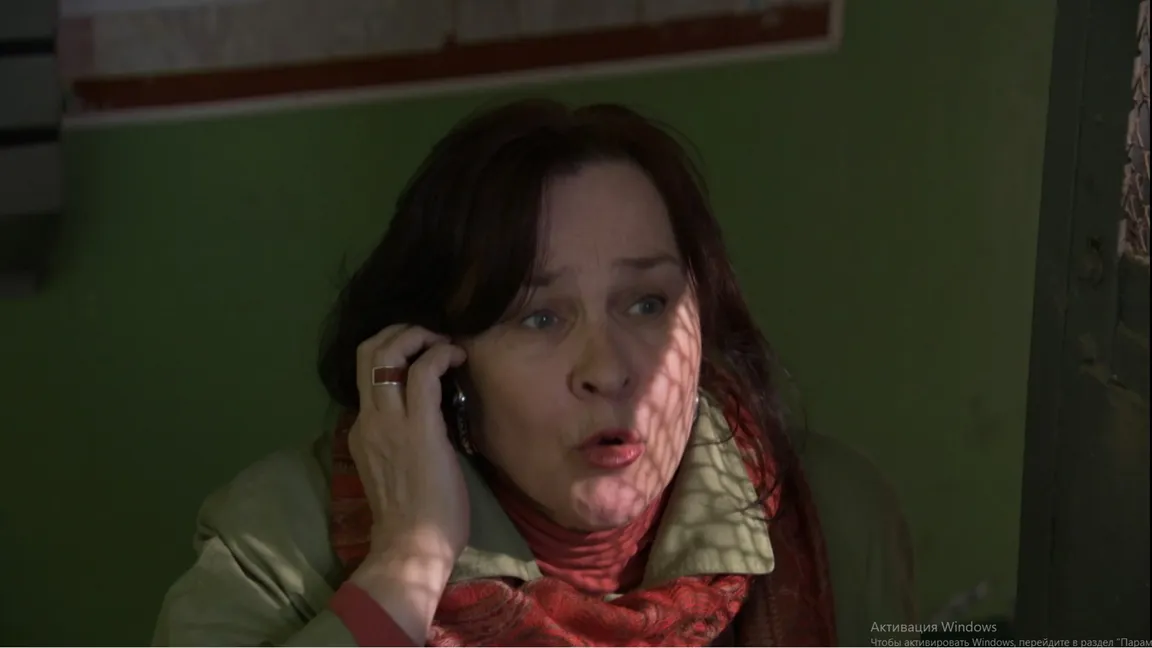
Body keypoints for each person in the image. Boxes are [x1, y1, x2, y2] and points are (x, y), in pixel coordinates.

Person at [152, 99, 916, 647]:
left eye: (647, 303)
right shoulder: (279, 536)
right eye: (540, 317)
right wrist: (408, 561)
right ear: (438, 362)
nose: (608, 370)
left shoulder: (835, 515)